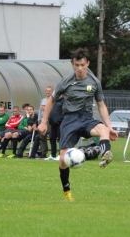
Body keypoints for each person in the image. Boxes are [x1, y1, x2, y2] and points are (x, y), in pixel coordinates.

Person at [38, 48, 118, 201]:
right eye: (76, 65)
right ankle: (67, 190)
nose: (80, 68)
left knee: (104, 130)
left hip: (86, 118)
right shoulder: (66, 81)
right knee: (62, 160)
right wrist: (43, 121)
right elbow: (52, 100)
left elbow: (101, 105)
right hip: (69, 120)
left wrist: (110, 127)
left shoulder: (94, 82)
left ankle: (105, 155)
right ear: (73, 65)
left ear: (87, 63)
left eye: (82, 64)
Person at [44, 96, 65, 161]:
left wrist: (59, 120)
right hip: (53, 124)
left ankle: (60, 155)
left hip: (59, 124)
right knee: (52, 139)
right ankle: (53, 155)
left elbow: (64, 112)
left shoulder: (64, 101)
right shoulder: (54, 101)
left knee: (60, 139)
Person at [37, 86, 53, 158]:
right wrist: (39, 120)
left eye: (49, 91)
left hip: (49, 121)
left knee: (51, 137)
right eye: (47, 91)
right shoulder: (43, 100)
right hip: (42, 121)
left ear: (52, 91)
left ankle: (53, 153)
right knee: (42, 137)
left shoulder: (54, 100)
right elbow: (40, 110)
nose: (48, 92)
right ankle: (44, 153)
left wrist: (46, 108)